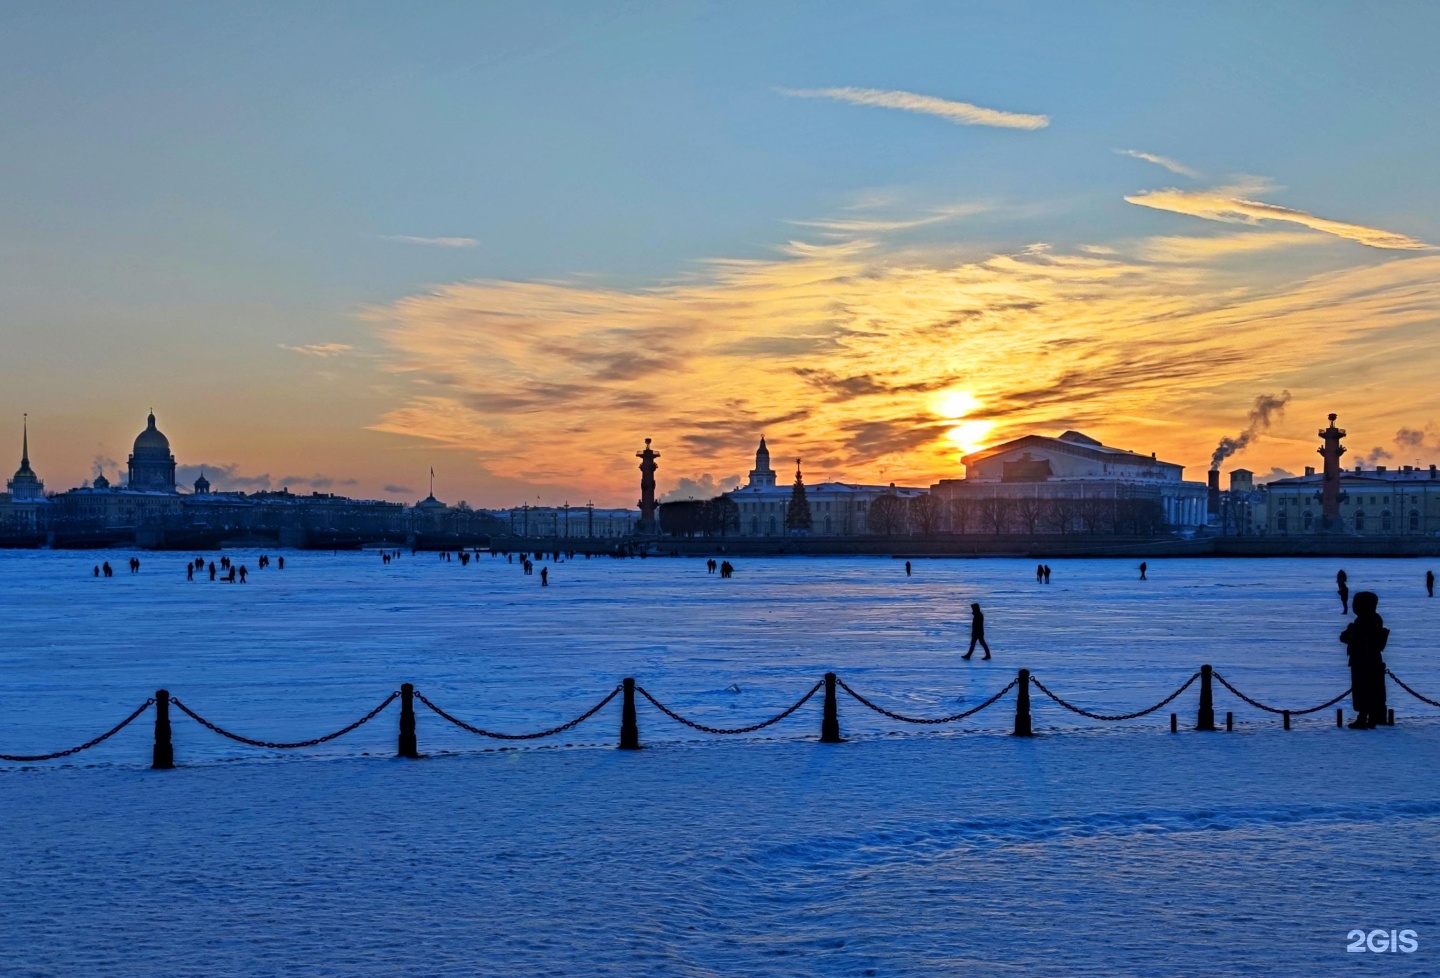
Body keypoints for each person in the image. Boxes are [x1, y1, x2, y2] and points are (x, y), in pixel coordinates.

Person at [1340, 590, 1389, 729]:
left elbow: (1351, 639)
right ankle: (1374, 717)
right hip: (1373, 658)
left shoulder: (1362, 621)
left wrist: (1349, 633)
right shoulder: (1376, 618)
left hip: (1362, 659)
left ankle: (1363, 718)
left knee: (1363, 689)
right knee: (1373, 688)